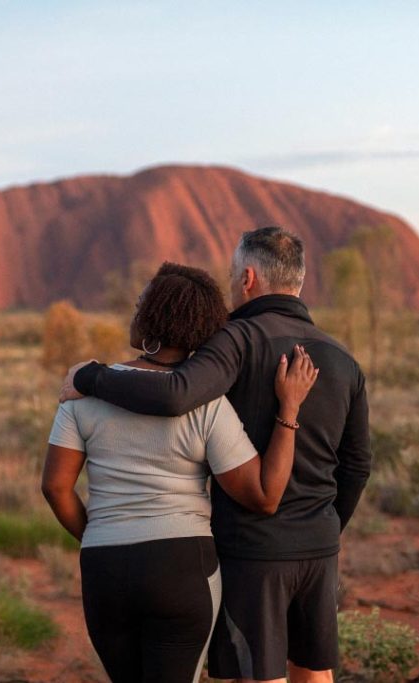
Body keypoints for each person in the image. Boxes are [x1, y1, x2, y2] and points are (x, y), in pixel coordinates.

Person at [61, 227, 372, 683]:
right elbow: (358, 463)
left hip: (253, 550)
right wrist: (325, 527)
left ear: (247, 278)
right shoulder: (342, 357)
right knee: (313, 670)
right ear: (299, 281)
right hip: (319, 548)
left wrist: (91, 378)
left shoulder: (237, 339)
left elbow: (176, 393)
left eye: (231, 277)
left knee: (258, 673)